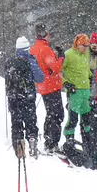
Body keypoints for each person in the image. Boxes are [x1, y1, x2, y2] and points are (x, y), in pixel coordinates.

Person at [5, 36, 44, 158]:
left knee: (16, 122)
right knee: (30, 120)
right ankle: (32, 141)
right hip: (28, 96)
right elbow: (40, 78)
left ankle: (18, 145)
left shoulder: (9, 61)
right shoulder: (30, 60)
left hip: (13, 97)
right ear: (27, 48)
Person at [30, 23, 65, 154]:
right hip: (51, 86)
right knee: (57, 115)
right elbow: (55, 68)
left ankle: (48, 141)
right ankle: (52, 143)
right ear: (46, 34)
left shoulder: (33, 49)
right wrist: (61, 57)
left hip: (42, 86)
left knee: (50, 114)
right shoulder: (45, 49)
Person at [62, 34, 93, 142]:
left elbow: (85, 68)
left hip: (86, 90)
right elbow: (57, 71)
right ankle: (69, 139)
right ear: (77, 44)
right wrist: (65, 83)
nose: (85, 48)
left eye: (87, 46)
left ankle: (87, 141)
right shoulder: (68, 54)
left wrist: (91, 76)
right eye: (83, 46)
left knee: (87, 118)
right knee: (73, 118)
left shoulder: (86, 54)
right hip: (74, 91)